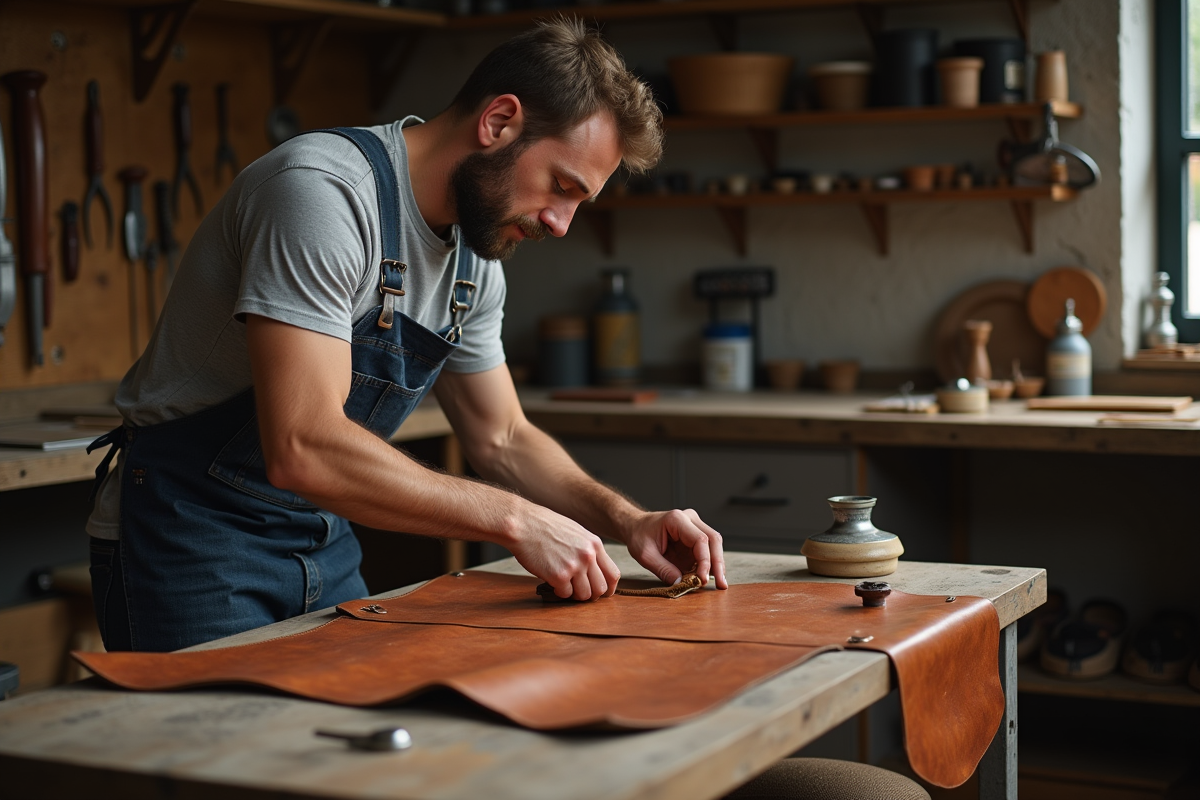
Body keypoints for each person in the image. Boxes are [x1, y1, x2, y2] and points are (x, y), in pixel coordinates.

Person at [86, 18, 726, 653]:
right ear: (499, 121)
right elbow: (303, 445)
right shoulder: (324, 195)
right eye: (562, 187)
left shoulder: (475, 259)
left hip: (320, 535)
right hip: (189, 536)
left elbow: (502, 437)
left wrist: (626, 519)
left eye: (579, 204)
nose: (561, 224)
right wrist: (515, 519)